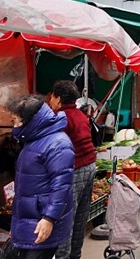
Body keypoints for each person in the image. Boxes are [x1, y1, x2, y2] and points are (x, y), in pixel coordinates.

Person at [7, 95, 75, 259]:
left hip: (41, 220)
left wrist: (49, 219)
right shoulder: (33, 139)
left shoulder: (58, 144)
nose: (14, 126)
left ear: (31, 120)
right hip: (30, 218)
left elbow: (61, 187)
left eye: (16, 121)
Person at [48, 81, 95, 259]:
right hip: (89, 166)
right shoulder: (80, 115)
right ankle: (75, 255)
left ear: (58, 98)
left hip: (74, 169)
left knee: (65, 219)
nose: (50, 100)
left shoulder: (61, 117)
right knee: (80, 218)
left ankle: (64, 256)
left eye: (51, 96)